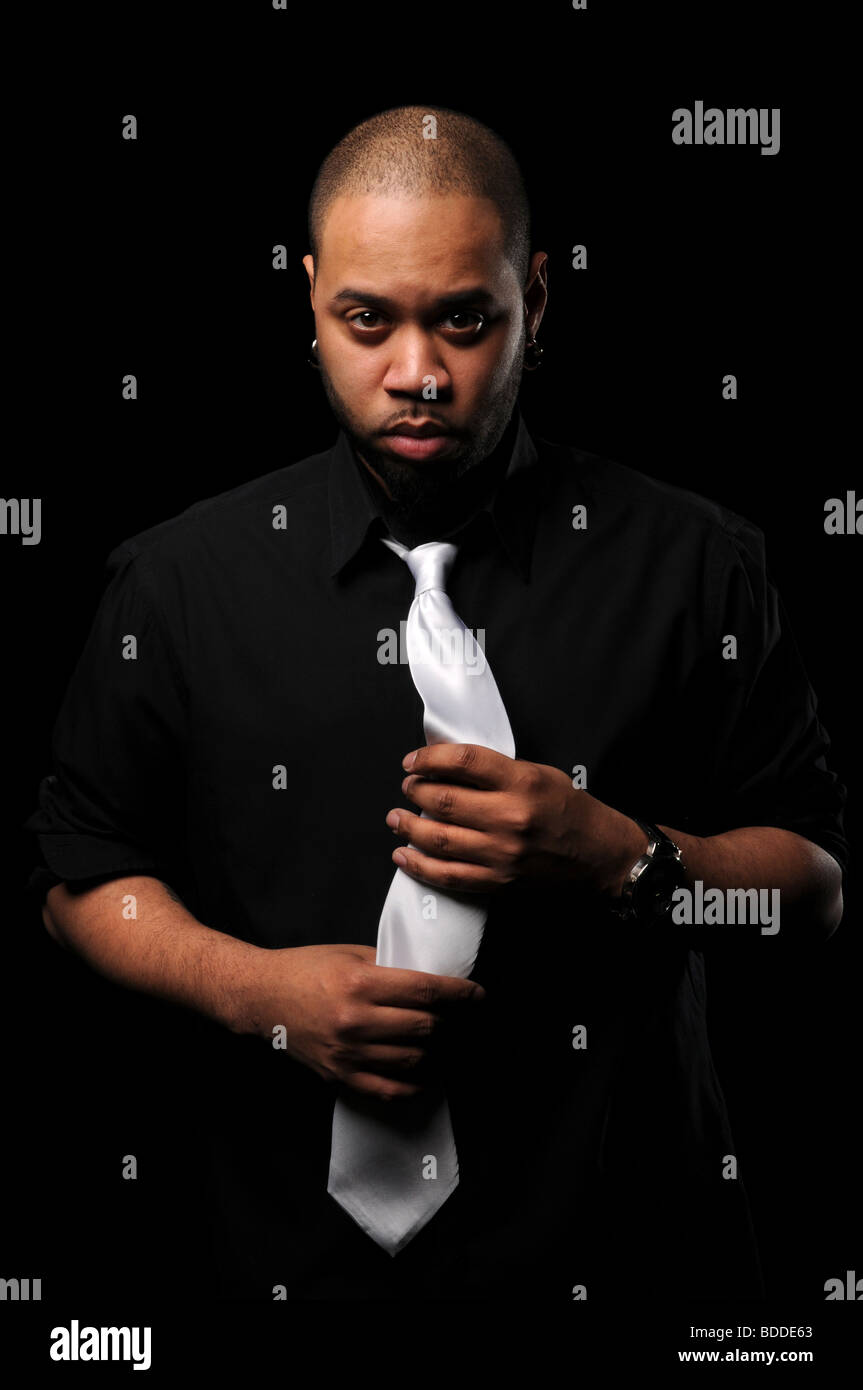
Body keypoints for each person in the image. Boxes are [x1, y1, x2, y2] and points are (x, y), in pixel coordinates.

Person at [26, 104, 847, 1300]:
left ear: (538, 295)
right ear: (307, 295)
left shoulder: (694, 566)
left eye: (465, 319)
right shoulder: (179, 579)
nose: (415, 374)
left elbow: (812, 898)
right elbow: (75, 882)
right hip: (268, 1265)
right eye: (366, 319)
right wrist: (255, 993)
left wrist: (625, 859)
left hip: (628, 1254)